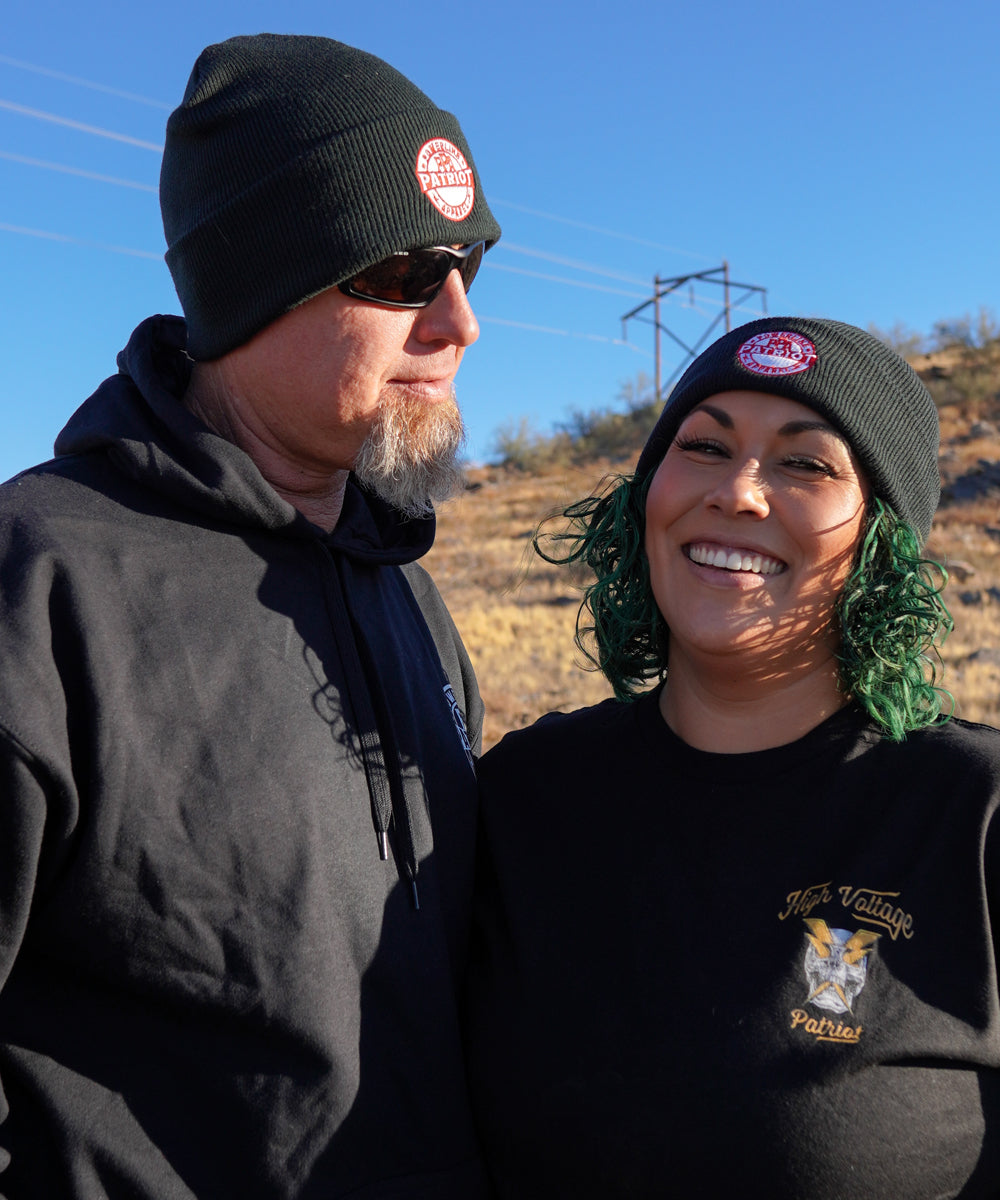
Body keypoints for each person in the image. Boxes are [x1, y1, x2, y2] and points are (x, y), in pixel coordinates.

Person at [0, 33, 501, 1199]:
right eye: (403, 271)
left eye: (471, 263)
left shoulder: (402, 587)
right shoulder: (40, 578)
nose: (458, 321)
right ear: (252, 281)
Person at [466, 317, 1000, 1198]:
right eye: (705, 445)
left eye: (806, 463)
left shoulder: (969, 811)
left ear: (883, 547)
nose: (739, 492)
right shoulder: (523, 795)